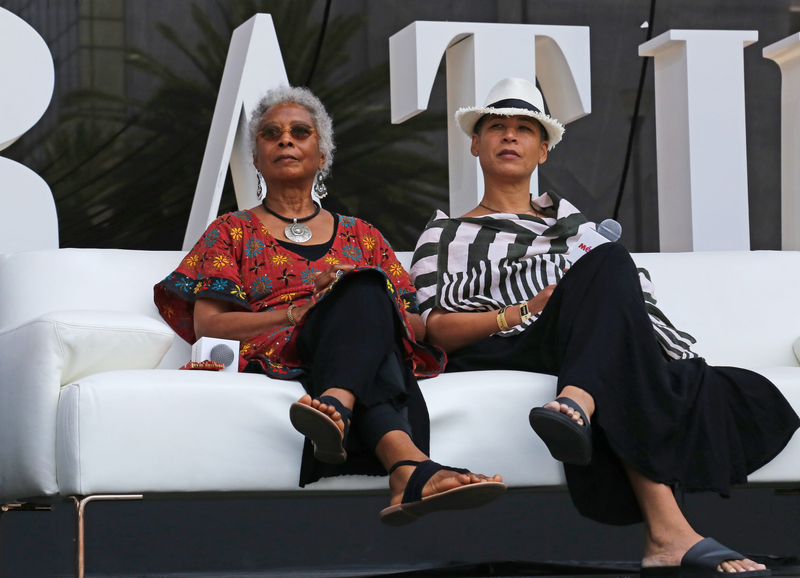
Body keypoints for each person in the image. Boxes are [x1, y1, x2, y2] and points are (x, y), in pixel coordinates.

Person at [410, 77, 799, 574]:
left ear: (543, 150)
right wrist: (527, 307)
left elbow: (635, 312)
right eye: (497, 127)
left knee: (608, 262)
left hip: (578, 342)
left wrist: (577, 297)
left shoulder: (580, 232)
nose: (510, 137)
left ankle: (581, 405)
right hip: (502, 339)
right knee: (610, 297)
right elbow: (435, 328)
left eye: (524, 129)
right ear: (475, 143)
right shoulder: (444, 233)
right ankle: (667, 530)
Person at [154, 85, 505, 526]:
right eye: (271, 134)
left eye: (300, 132)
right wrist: (302, 311)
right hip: (284, 347)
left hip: (363, 342)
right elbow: (210, 324)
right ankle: (408, 462)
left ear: (322, 157)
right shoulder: (232, 230)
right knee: (362, 293)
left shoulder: (362, 235)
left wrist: (356, 300)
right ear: (257, 158)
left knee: (364, 289)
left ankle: (347, 415)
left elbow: (415, 326)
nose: (285, 140)